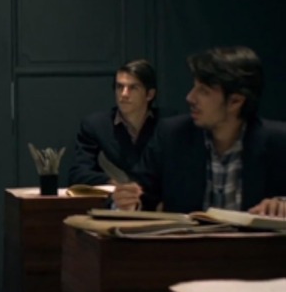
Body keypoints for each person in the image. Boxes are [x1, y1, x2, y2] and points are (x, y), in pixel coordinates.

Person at [112, 46, 286, 216]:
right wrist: (127, 201)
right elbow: (139, 195)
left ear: (235, 101)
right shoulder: (172, 135)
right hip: (188, 236)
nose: (190, 97)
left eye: (204, 91)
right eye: (194, 87)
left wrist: (281, 205)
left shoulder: (278, 141)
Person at [69, 59, 160, 185]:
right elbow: (78, 173)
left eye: (133, 88)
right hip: (113, 196)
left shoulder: (167, 124)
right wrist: (112, 183)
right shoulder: (96, 126)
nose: (124, 94)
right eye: (119, 87)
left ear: (149, 94)